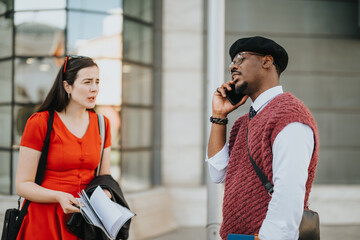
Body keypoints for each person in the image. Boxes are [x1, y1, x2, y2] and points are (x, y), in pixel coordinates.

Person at [206, 36, 319, 240]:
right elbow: (218, 173)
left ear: (267, 61)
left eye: (240, 58)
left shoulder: (289, 115)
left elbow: (289, 192)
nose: (232, 66)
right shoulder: (244, 122)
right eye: (231, 61)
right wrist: (219, 116)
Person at [15, 55, 112, 240]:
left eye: (97, 82)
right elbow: (22, 185)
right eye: (87, 82)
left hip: (85, 222)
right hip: (44, 220)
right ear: (67, 86)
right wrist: (58, 196)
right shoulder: (40, 122)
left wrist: (105, 194)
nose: (95, 88)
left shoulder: (102, 124)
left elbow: (104, 177)